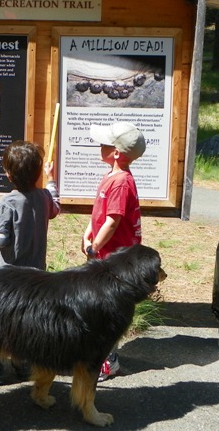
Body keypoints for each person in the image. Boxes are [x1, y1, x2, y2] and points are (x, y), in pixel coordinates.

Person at [0, 141, 61, 385]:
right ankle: (24, 365)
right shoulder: (44, 197)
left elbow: (1, 239)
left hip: (8, 279)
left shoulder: (6, 203)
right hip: (35, 276)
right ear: (37, 172)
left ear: (8, 174)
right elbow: (56, 208)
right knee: (27, 322)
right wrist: (50, 181)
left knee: (0, 323)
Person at [82, 121, 146, 383]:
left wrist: (94, 245)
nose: (100, 146)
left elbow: (113, 220)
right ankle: (101, 356)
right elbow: (100, 214)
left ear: (117, 153)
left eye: (104, 143)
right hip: (105, 254)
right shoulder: (112, 175)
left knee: (108, 309)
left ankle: (109, 362)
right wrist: (88, 230)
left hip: (114, 259)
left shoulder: (120, 182)